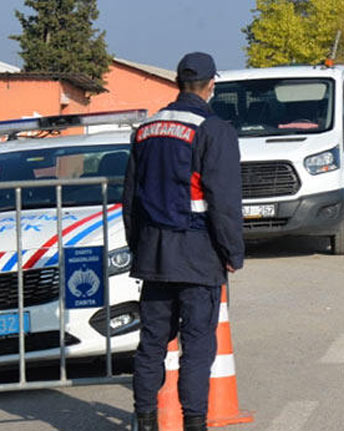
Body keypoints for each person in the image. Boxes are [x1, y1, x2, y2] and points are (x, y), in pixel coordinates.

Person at [122, 52, 244, 431]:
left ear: (177, 84)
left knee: (152, 343)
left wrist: (138, 247)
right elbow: (224, 201)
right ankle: (194, 423)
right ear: (210, 86)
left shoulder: (145, 130)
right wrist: (232, 253)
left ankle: (145, 422)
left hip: (154, 254)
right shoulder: (213, 129)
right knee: (197, 344)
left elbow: (130, 200)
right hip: (198, 253)